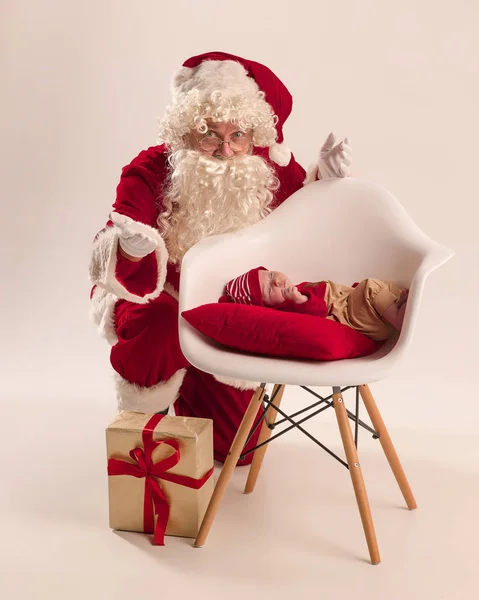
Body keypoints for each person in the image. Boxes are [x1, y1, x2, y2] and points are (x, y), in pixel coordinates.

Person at [89, 51, 352, 464]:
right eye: (209, 134)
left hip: (229, 309)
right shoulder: (152, 167)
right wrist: (132, 244)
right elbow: (122, 228)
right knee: (159, 324)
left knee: (236, 451)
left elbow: (305, 220)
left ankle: (197, 389)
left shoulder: (268, 169)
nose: (225, 151)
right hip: (162, 300)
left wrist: (328, 182)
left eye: (238, 136)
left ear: (254, 134)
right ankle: (145, 423)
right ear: (187, 132)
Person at [221, 267, 408, 342]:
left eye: (270, 275)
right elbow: (317, 313)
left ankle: (394, 308)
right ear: (269, 307)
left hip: (361, 309)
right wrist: (299, 300)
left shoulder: (298, 289)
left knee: (388, 286)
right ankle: (397, 318)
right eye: (270, 290)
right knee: (370, 286)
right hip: (355, 319)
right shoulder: (290, 306)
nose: (276, 281)